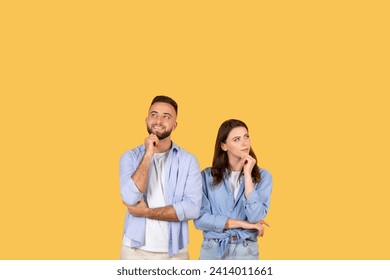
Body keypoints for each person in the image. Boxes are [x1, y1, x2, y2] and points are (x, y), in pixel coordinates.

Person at [119, 95, 202, 260]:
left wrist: (146, 212)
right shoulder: (130, 157)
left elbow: (192, 208)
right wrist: (149, 154)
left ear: (175, 125)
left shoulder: (188, 160)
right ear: (146, 120)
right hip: (134, 251)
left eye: (166, 117)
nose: (158, 120)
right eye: (154, 114)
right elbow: (130, 197)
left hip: (175, 253)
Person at [194, 119, 272, 260]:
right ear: (224, 146)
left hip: (246, 251)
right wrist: (243, 224)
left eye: (246, 136)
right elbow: (200, 220)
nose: (244, 143)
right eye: (236, 139)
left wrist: (248, 175)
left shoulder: (264, 177)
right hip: (213, 250)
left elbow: (256, 217)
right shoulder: (206, 176)